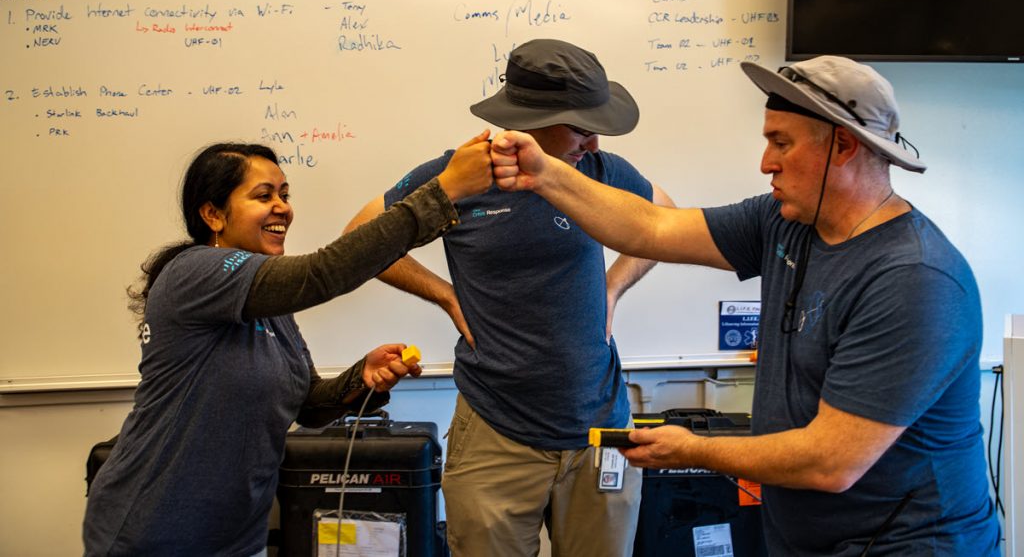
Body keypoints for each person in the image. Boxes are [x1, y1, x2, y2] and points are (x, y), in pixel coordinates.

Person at [490, 55, 1001, 555]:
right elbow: (651, 227)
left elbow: (830, 462)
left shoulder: (912, 278)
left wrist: (693, 450)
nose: (765, 162)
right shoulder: (785, 221)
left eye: (781, 143)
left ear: (843, 146)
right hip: (810, 539)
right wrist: (545, 174)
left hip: (909, 544)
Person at [83, 133, 493, 556]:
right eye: (263, 196)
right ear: (213, 214)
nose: (283, 207)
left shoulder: (268, 304)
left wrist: (361, 377)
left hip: (237, 538)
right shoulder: (193, 272)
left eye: (284, 193)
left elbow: (307, 406)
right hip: (154, 530)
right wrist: (442, 192)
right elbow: (321, 274)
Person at [345, 39, 674, 556]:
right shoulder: (460, 175)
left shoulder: (597, 169)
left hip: (600, 429)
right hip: (496, 430)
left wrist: (613, 286)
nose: (592, 143)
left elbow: (664, 220)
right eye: (582, 128)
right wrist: (446, 296)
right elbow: (360, 236)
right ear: (532, 118)